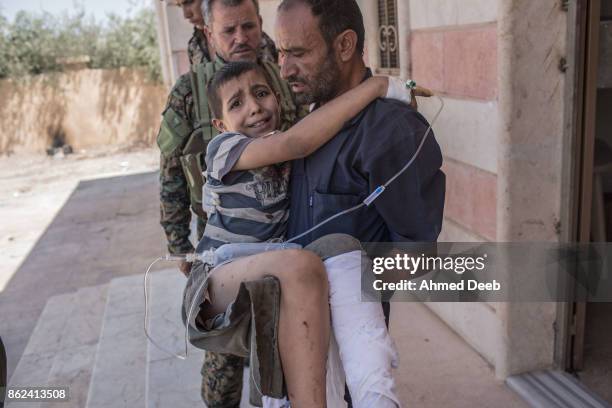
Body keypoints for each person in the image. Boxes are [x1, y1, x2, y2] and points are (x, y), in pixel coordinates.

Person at [185, 60, 416, 407]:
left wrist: (398, 106)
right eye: (237, 103)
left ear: (277, 99)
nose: (253, 107)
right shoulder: (224, 150)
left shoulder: (284, 149)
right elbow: (299, 142)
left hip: (271, 277)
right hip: (215, 281)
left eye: (261, 93)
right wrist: (378, 88)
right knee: (300, 265)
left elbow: (324, 131)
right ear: (220, 125)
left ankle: (376, 396)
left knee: (343, 249)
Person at [274, 0, 445, 406]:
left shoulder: (393, 132)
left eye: (298, 53)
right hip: (293, 348)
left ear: (345, 45)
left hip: (347, 361)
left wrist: (341, 291)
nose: (284, 69)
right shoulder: (310, 122)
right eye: (280, 53)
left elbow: (416, 253)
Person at [157, 0, 299, 406]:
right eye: (229, 30)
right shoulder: (190, 92)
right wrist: (178, 243)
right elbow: (170, 173)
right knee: (224, 357)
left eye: (249, 27)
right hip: (223, 241)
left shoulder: (284, 72)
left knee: (282, 348)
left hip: (283, 234)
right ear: (209, 32)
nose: (242, 39)